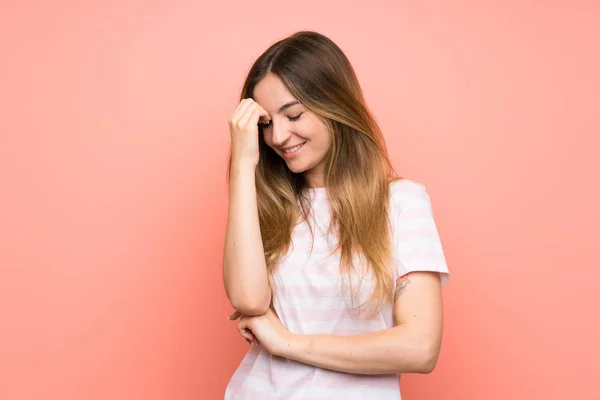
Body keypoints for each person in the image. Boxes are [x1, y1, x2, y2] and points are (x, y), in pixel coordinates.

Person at [222, 30, 450, 400]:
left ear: (334, 104)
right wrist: (243, 165)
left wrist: (288, 344)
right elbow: (248, 301)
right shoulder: (270, 203)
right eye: (265, 124)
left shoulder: (401, 204)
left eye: (293, 114)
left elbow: (420, 347)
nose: (278, 136)